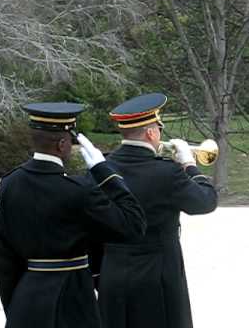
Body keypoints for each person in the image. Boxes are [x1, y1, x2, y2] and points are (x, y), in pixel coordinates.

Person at [0, 102, 146, 328]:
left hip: (27, 298)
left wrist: (15, 308)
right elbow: (133, 225)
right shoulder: (79, 190)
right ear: (62, 144)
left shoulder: (6, 185)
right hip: (74, 299)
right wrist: (104, 172)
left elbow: (3, 259)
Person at [97, 93, 218, 328]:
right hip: (158, 276)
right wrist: (190, 165)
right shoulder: (166, 173)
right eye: (158, 129)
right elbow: (206, 201)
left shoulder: (101, 168)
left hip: (112, 273)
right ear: (151, 133)